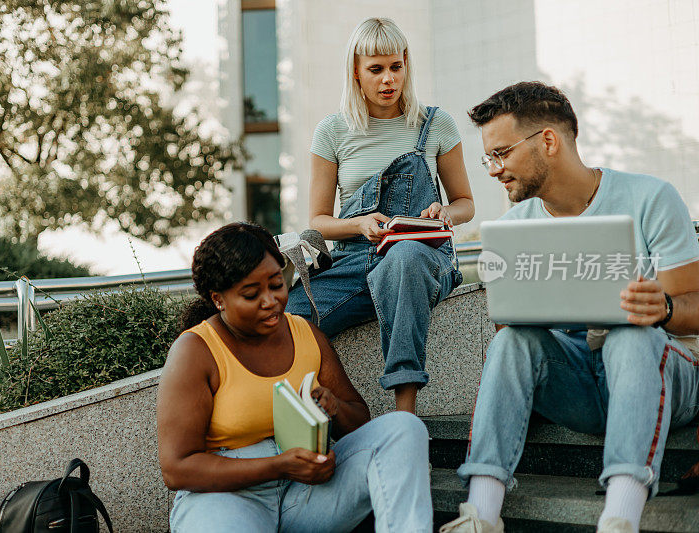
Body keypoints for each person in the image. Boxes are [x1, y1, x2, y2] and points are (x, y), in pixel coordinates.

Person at [440, 82, 699, 533]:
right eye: (489, 158)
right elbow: (509, 326)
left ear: (547, 141)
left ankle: (620, 516)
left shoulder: (650, 198)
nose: (493, 170)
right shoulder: (515, 225)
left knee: (630, 332)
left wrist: (664, 307)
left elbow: (694, 309)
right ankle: (480, 514)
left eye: (500, 153)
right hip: (581, 382)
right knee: (513, 341)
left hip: (664, 377)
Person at [157, 222, 433, 532]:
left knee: (404, 428)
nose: (270, 300)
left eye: (276, 284)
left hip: (306, 493)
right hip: (225, 498)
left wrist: (335, 408)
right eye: (251, 294)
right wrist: (279, 465)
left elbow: (359, 422)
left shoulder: (304, 333)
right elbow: (177, 469)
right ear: (218, 299)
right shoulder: (195, 350)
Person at [285, 18, 475, 413]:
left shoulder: (435, 125)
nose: (388, 79)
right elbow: (318, 220)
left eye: (395, 67)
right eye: (375, 69)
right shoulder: (332, 131)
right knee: (286, 317)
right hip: (355, 260)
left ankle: (404, 414)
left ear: (406, 64)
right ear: (356, 71)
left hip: (424, 257)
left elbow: (465, 203)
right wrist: (359, 223)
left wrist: (444, 213)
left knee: (403, 260)